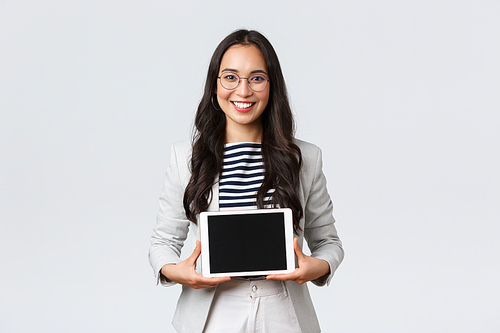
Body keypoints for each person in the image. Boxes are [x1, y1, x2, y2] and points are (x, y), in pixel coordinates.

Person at [149, 29, 344, 333]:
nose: (243, 91)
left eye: (256, 78)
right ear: (215, 85)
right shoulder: (185, 157)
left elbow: (328, 242)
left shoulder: (305, 157)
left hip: (284, 313)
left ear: (271, 86)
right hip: (212, 312)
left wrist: (316, 267)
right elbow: (163, 242)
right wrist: (176, 271)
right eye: (230, 77)